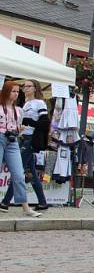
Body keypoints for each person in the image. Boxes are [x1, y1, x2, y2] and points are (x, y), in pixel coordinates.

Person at [0, 79, 49, 211]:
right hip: (20, 138)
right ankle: (43, 202)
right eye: (24, 86)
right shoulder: (25, 104)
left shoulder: (39, 103)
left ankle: (5, 202)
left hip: (29, 139)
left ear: (35, 88)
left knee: (18, 171)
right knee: (30, 172)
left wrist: (28, 122)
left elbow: (44, 123)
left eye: (29, 86)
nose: (25, 88)